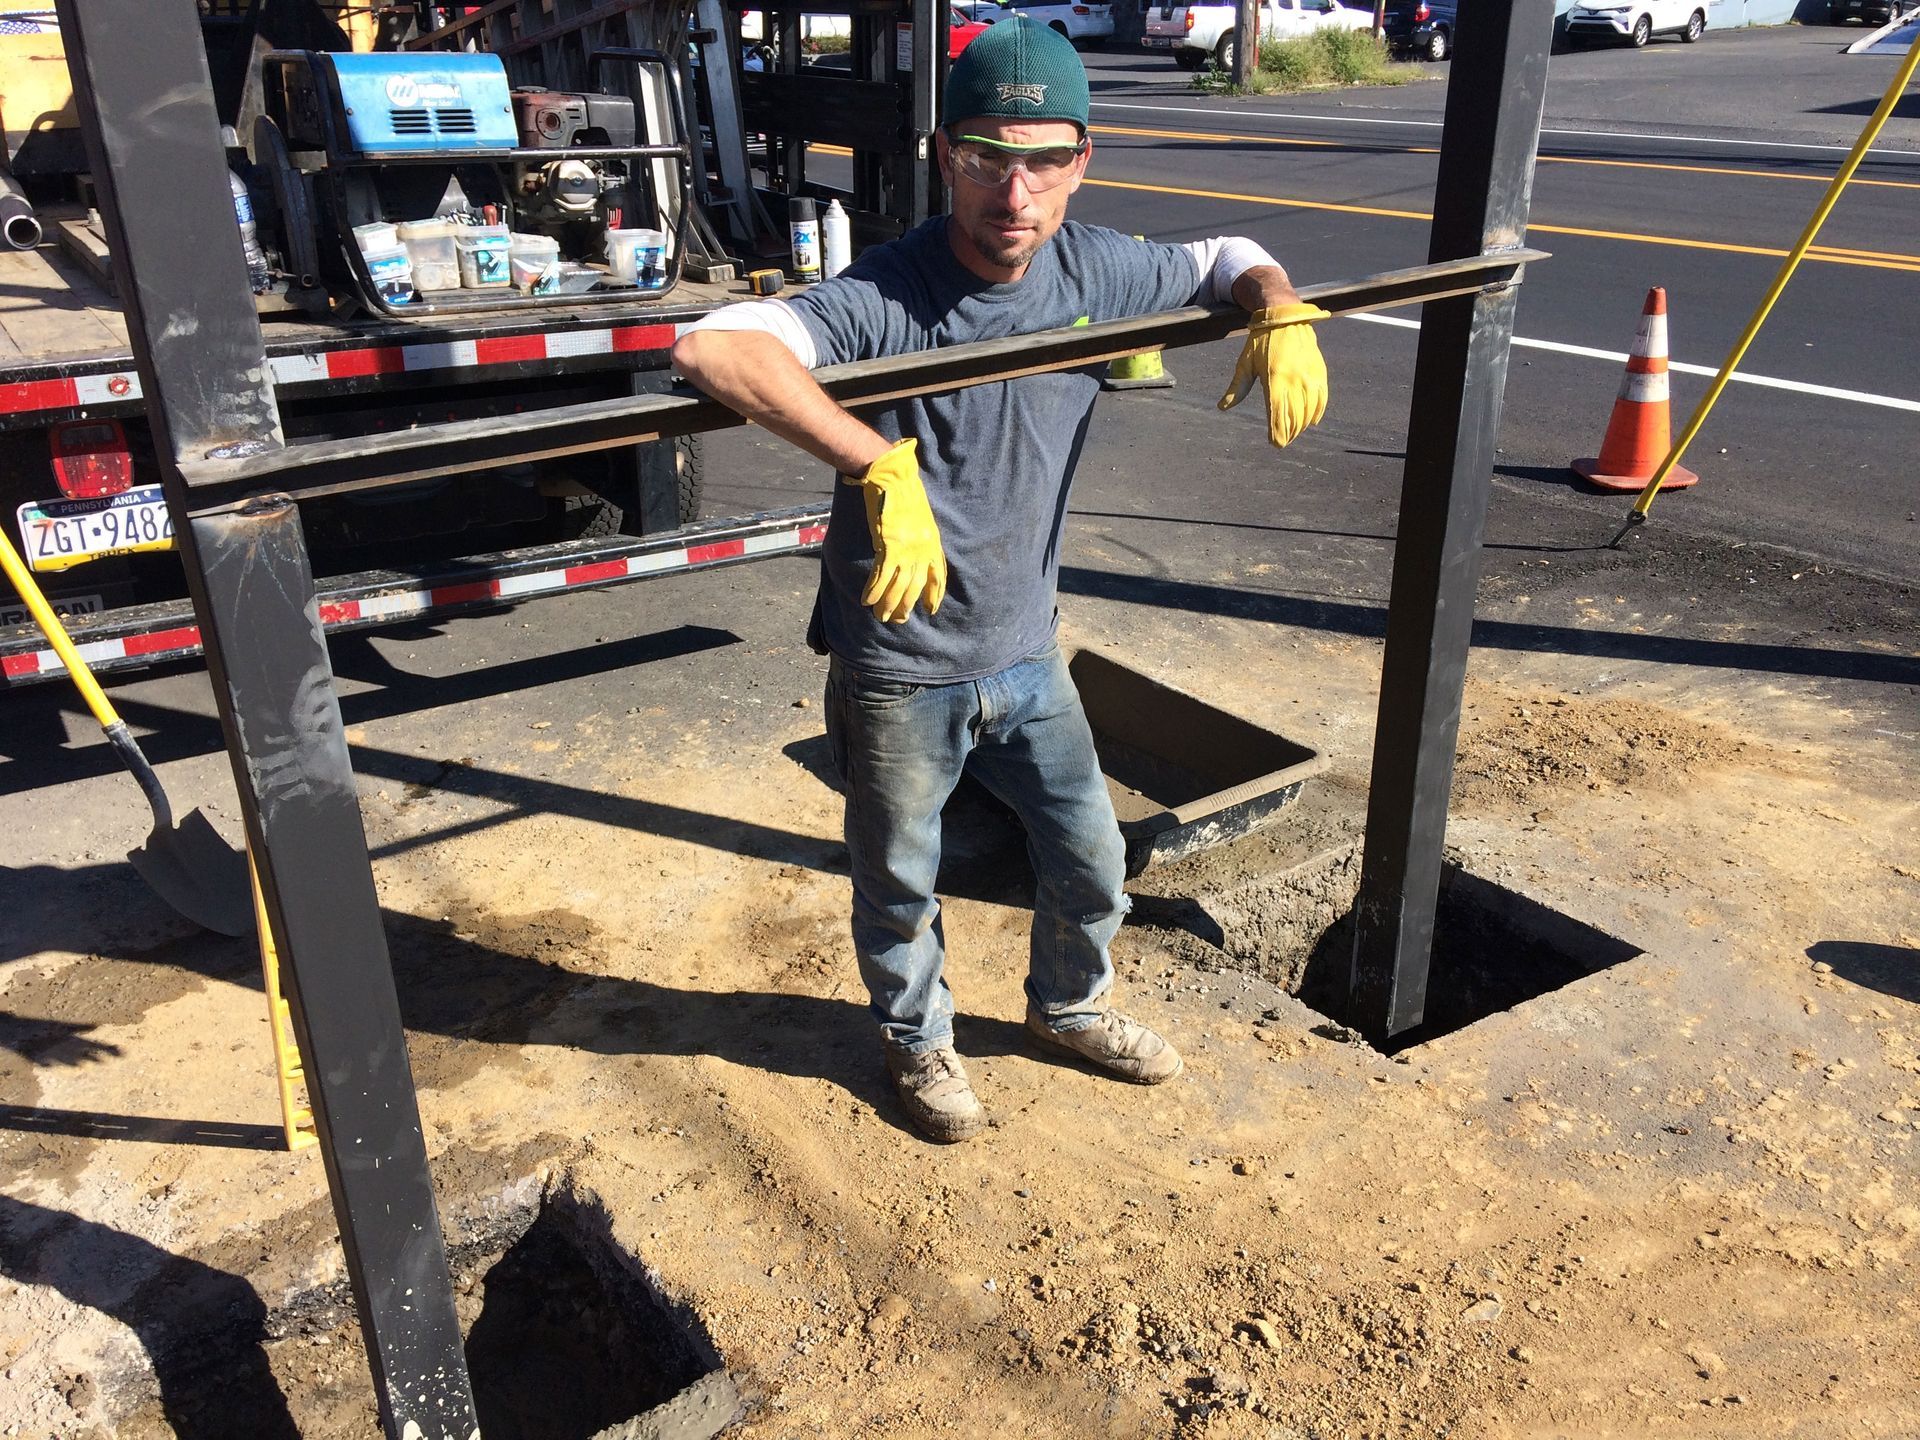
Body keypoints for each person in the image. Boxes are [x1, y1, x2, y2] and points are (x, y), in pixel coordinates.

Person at [672, 17, 1329, 1143]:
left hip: (1030, 655)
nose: (1012, 192)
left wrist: (1276, 303)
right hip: (901, 670)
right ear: (944, 155)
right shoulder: (890, 292)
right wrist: (873, 457)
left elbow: (1222, 255)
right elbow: (715, 347)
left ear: (1084, 159)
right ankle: (919, 1047)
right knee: (898, 887)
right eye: (985, 157)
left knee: (1091, 860)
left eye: (1043, 158)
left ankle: (1070, 1005)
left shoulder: (1094, 268)